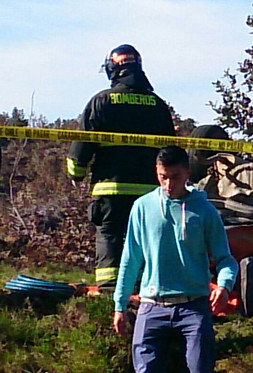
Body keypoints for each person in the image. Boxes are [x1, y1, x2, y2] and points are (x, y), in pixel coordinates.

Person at [113, 145, 238, 373]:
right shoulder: (142, 208)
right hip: (151, 307)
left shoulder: (204, 211)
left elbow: (226, 260)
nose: (169, 183)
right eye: (162, 176)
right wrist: (119, 305)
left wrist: (224, 285)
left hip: (193, 308)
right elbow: (130, 260)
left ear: (187, 174)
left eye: (175, 176)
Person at [66, 44, 175, 290]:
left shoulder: (102, 101)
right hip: (151, 191)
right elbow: (171, 150)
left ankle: (108, 292)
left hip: (111, 189)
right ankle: (150, 289)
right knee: (149, 239)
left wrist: (77, 173)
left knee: (110, 236)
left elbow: (83, 144)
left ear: (113, 69)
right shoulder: (157, 105)